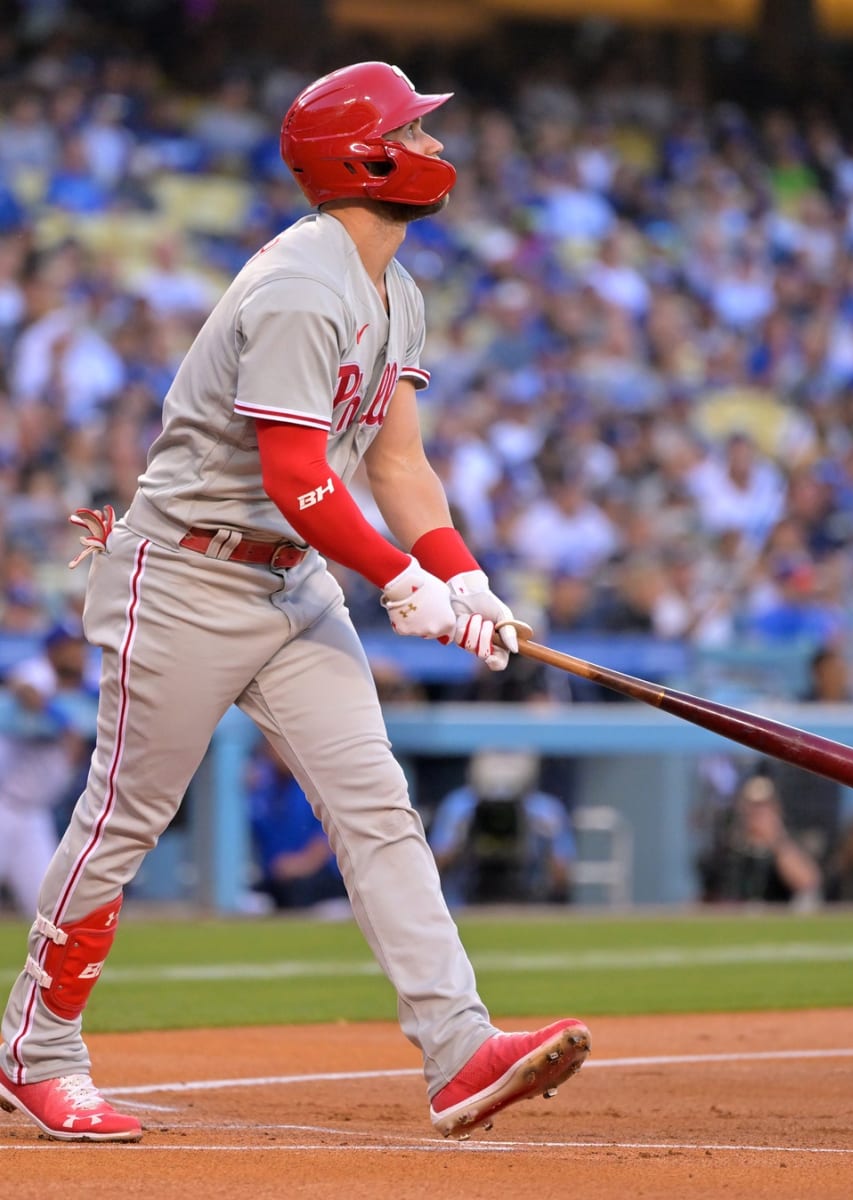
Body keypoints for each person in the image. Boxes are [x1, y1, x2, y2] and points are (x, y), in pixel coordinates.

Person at [0, 63, 589, 1145]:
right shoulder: (300, 284)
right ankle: (34, 1051)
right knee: (121, 822)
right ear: (361, 156)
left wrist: (462, 574)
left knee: (375, 804)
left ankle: (460, 1049)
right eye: (409, 129)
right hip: (186, 572)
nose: (428, 143)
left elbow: (398, 466)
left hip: (290, 576)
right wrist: (401, 581)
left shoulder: (392, 289)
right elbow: (297, 474)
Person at [0, 623, 91, 918]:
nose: (78, 653)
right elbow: (23, 688)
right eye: (71, 647)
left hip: (33, 816)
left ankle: (41, 965)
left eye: (79, 646)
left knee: (47, 909)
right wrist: (62, 720)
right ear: (54, 650)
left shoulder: (83, 685)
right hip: (5, 804)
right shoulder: (38, 671)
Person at [429, 750, 575, 907]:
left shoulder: (545, 809)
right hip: (467, 899)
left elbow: (562, 874)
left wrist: (542, 839)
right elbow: (435, 865)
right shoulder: (459, 805)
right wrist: (462, 838)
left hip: (527, 899)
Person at [246, 739, 348, 913]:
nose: (276, 753)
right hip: (276, 877)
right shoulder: (262, 784)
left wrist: (299, 865)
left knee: (302, 894)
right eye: (271, 747)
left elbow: (327, 839)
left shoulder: (315, 784)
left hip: (320, 878)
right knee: (252, 901)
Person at [699, 774, 820, 906]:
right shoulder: (729, 849)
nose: (757, 812)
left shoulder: (790, 843)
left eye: (764, 806)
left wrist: (776, 840)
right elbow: (711, 894)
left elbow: (808, 883)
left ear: (776, 808)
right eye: (752, 806)